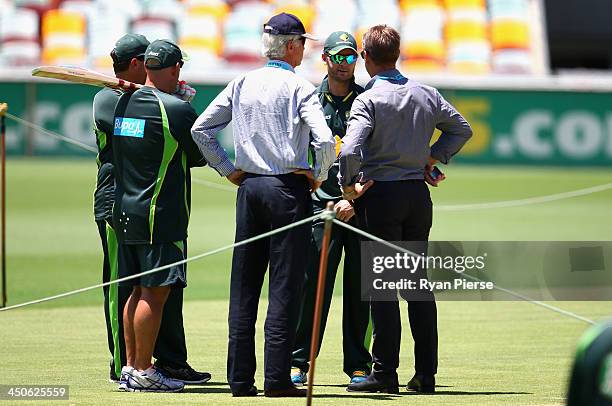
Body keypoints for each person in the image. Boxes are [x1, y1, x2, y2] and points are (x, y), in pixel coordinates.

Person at [191, 12, 335, 398]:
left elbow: (200, 129)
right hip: (288, 189)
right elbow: (324, 142)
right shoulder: (300, 87)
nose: (305, 48)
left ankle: (240, 380)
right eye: (302, 42)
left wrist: (228, 169)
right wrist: (317, 176)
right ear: (290, 45)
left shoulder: (242, 82)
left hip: (250, 188)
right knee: (285, 288)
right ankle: (275, 380)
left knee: (244, 287)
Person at [339, 25, 473, 394]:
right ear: (397, 54)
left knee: (383, 287)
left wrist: (348, 187)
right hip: (417, 196)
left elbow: (350, 150)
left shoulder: (368, 98)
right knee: (417, 286)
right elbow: (461, 130)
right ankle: (425, 374)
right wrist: (433, 157)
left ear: (366, 57)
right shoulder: (425, 93)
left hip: (380, 196)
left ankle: (384, 373)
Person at [92, 34, 208, 387]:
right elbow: (199, 155)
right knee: (142, 290)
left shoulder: (125, 104)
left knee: (141, 291)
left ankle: (147, 364)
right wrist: (175, 104)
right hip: (149, 209)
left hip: (132, 206)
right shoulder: (111, 100)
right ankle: (133, 367)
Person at [290, 31, 372, 387]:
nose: (344, 63)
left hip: (360, 209)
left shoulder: (369, 99)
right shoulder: (309, 98)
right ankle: (298, 363)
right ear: (325, 58)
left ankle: (358, 366)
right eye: (338, 56)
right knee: (311, 289)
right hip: (318, 208)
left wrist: (352, 197)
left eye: (350, 56)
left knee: (360, 288)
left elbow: (378, 153)